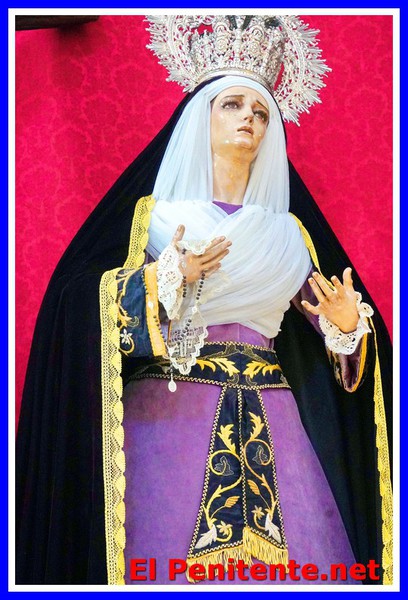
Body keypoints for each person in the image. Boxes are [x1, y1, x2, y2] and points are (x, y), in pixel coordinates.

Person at [16, 15, 392, 587]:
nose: (249, 119)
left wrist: (346, 329)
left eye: (261, 112)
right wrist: (166, 279)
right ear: (200, 117)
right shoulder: (155, 220)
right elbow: (78, 305)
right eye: (233, 105)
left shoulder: (288, 237)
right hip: (168, 421)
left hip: (273, 421)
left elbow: (342, 358)